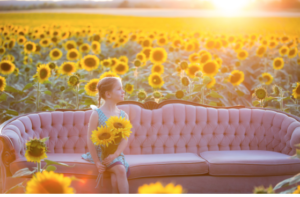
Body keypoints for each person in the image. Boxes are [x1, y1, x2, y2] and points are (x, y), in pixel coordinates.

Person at [81, 76, 130, 193]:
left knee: (115, 181)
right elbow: (90, 139)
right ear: (108, 94)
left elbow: (125, 138)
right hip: (101, 154)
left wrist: (115, 155)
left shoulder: (123, 115)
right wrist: (97, 162)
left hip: (116, 155)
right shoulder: (97, 114)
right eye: (119, 89)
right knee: (121, 170)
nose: (123, 91)